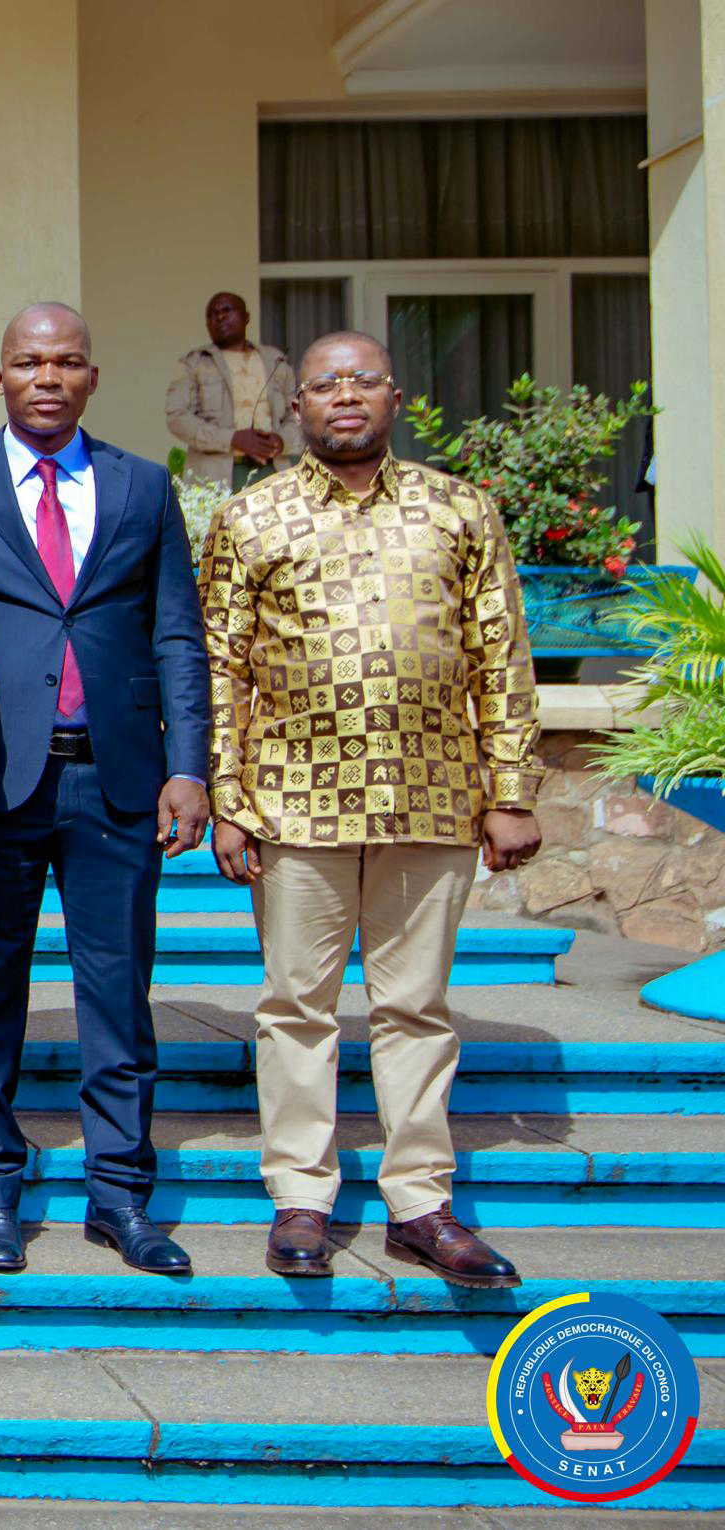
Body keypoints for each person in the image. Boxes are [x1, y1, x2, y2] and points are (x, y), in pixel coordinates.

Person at [204, 329, 542, 1291]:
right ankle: (301, 1195)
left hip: (432, 798)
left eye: (362, 381)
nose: (344, 396)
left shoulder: (459, 509)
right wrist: (230, 803)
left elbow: (501, 655)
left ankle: (420, 1203)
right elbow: (220, 668)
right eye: (324, 385)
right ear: (294, 406)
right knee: (296, 1009)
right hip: (292, 803)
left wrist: (510, 793)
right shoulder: (249, 519)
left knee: (414, 1009)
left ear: (394, 397)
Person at [0, 304, 211, 1278]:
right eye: (27, 361)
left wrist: (189, 764)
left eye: (64, 361)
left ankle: (120, 1196)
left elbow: (177, 630)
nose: (46, 376)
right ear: (1, 375)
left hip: (117, 778)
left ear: (93, 375)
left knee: (115, 994)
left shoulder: (142, 484)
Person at [167, 291, 299, 489]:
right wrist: (233, 439)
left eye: (227, 310)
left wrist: (281, 440)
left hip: (275, 469)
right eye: (212, 314)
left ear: (246, 317)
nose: (219, 316)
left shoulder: (275, 361)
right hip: (217, 475)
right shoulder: (193, 363)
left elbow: (299, 414)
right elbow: (177, 418)